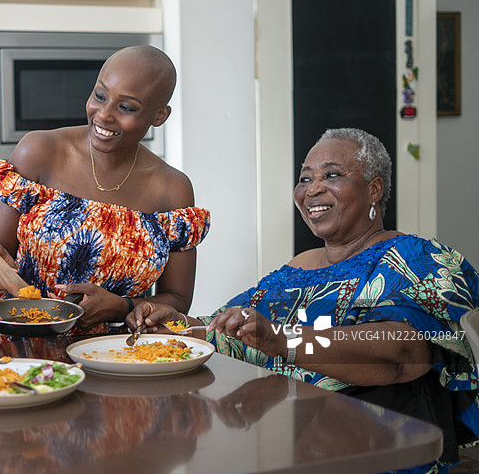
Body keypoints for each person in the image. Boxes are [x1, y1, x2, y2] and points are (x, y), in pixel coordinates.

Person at [130, 128, 479, 473]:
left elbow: (401, 353)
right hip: (287, 441)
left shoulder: (414, 257)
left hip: (373, 451)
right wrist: (175, 325)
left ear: (374, 188)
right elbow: (230, 330)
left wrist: (284, 341)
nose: (312, 189)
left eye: (331, 175)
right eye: (304, 178)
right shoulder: (296, 269)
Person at [0, 45, 210, 345]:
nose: (103, 115)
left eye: (126, 108)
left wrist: (122, 307)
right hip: (17, 341)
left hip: (118, 352)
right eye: (100, 96)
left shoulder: (172, 189)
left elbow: (178, 300)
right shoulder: (39, 152)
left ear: (159, 115)